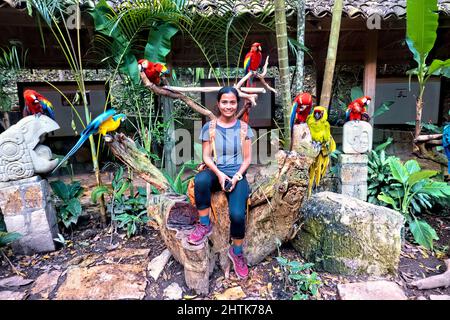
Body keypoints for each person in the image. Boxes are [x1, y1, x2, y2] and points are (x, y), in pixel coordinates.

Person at [188, 86, 253, 279]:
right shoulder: (210, 128)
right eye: (224, 102)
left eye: (232, 102)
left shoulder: (244, 128)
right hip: (217, 172)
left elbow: (247, 159)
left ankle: (237, 252)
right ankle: (204, 224)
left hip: (237, 176)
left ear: (237, 104)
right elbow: (207, 157)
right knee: (200, 180)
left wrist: (235, 177)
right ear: (218, 104)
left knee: (237, 215)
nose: (229, 106)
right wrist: (219, 174)